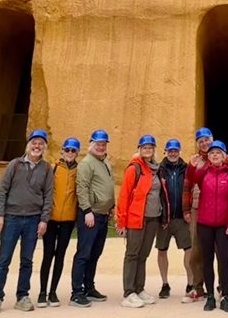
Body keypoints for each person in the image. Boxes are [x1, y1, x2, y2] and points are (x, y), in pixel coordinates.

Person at [0, 128, 53, 314]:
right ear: (28, 145)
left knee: (27, 260)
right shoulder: (15, 165)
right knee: (4, 259)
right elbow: (2, 190)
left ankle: (22, 296)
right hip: (12, 218)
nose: (37, 146)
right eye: (34, 143)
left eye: (41, 144)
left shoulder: (46, 169)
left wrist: (44, 220)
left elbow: (48, 196)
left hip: (33, 219)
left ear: (44, 147)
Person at [186, 140, 228, 312]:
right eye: (212, 153)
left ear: (224, 156)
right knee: (207, 260)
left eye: (218, 153)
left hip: (223, 225)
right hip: (205, 223)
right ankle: (210, 296)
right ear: (208, 156)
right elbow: (192, 179)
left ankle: (225, 296)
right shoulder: (204, 173)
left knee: (225, 260)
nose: (215, 155)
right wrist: (192, 166)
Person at [116, 135, 163, 308]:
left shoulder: (155, 169)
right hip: (136, 218)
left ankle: (139, 288)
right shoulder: (134, 168)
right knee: (132, 254)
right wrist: (121, 221)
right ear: (139, 149)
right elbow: (124, 195)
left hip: (152, 218)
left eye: (150, 147)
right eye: (145, 147)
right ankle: (129, 292)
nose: (148, 150)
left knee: (143, 255)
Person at [70, 129, 115, 308]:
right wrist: (87, 210)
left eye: (103, 144)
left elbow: (107, 186)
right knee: (84, 253)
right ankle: (76, 292)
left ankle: (89, 287)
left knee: (95, 253)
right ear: (91, 144)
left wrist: (111, 206)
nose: (101, 147)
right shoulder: (87, 163)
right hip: (90, 214)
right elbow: (81, 187)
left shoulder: (105, 162)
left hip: (102, 214)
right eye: (98, 144)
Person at [37, 136, 80, 307]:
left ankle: (53, 292)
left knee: (60, 256)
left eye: (73, 150)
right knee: (48, 255)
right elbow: (44, 192)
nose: (70, 153)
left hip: (68, 220)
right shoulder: (53, 168)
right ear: (62, 151)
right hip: (51, 218)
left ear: (77, 153)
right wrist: (43, 216)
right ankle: (42, 292)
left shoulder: (79, 171)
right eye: (67, 149)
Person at [155, 138, 195, 300]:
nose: (173, 153)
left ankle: (190, 283)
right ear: (165, 152)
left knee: (189, 249)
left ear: (179, 152)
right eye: (170, 151)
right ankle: (165, 284)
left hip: (181, 216)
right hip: (164, 218)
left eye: (175, 151)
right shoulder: (159, 169)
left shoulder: (186, 169)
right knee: (162, 250)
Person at [181, 127, 214, 302]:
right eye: (201, 141)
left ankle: (221, 287)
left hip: (217, 208)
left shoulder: (222, 156)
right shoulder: (194, 161)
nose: (204, 143)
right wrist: (186, 210)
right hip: (197, 208)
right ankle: (197, 287)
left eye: (206, 139)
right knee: (196, 249)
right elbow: (187, 186)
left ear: (212, 139)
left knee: (219, 250)